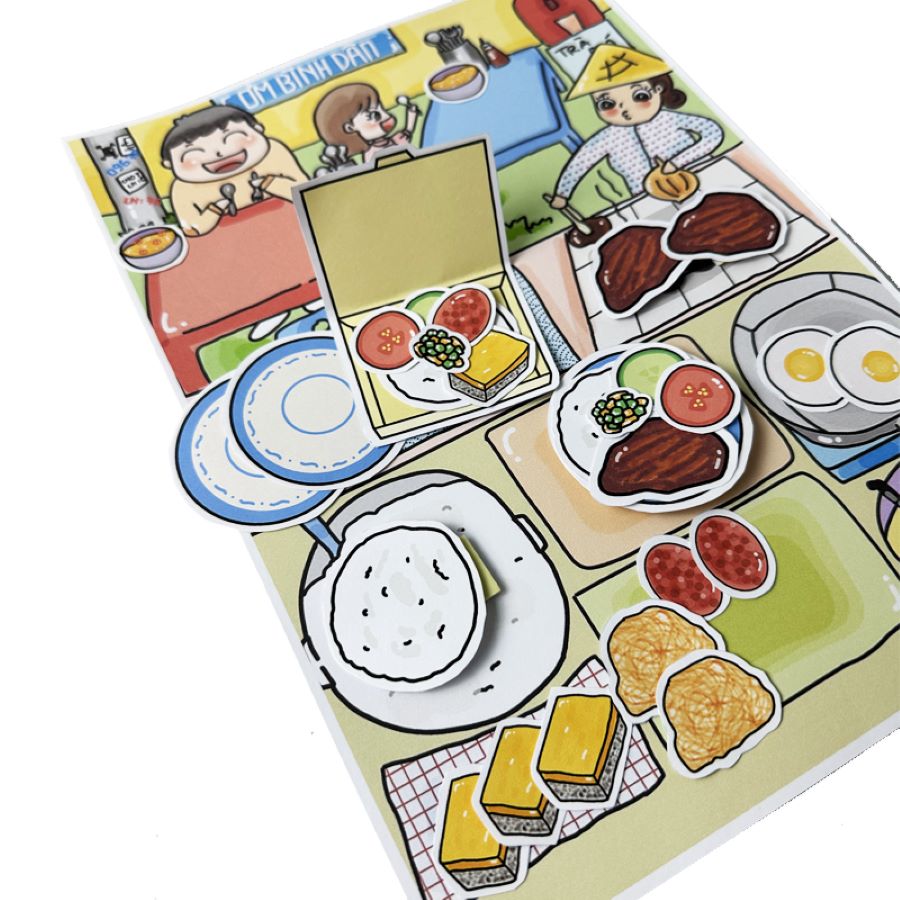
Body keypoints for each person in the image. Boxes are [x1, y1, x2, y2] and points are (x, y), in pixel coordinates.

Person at [550, 45, 723, 207]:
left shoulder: (670, 119)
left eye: (640, 96)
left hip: (703, 176)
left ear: (658, 89)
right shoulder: (608, 138)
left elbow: (713, 133)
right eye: (607, 104)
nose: (626, 110)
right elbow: (580, 162)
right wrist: (562, 194)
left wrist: (678, 162)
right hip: (648, 201)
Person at [161, 105, 308, 236]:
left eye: (230, 137)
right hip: (229, 240)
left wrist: (269, 183)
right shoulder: (183, 187)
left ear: (258, 129)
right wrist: (216, 209)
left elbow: (304, 190)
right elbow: (192, 229)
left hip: (291, 225)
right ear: (169, 164)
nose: (219, 153)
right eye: (194, 152)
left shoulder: (273, 151)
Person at [313, 82, 419, 165]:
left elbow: (408, 132)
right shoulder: (372, 153)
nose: (386, 117)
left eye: (383, 109)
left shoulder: (395, 140)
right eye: (374, 115)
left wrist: (412, 112)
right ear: (350, 128)